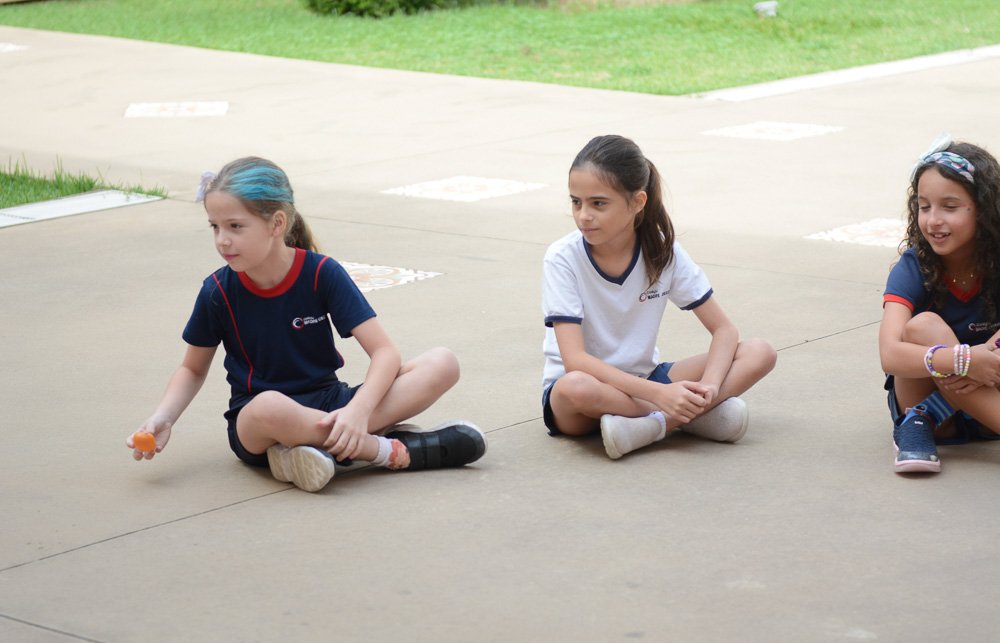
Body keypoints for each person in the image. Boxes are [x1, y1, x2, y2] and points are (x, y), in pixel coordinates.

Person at [126, 157, 486, 492]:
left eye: (235, 226)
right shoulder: (217, 291)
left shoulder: (321, 273)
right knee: (269, 405)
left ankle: (302, 452)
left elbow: (385, 353)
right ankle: (383, 450)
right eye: (215, 227)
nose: (222, 240)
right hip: (259, 424)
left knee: (443, 363)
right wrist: (163, 417)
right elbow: (192, 369)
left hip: (332, 404)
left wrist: (357, 411)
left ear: (277, 223)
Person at [541, 135, 776, 459]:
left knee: (760, 352)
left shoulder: (663, 251)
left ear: (638, 202)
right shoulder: (562, 258)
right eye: (576, 202)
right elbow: (575, 361)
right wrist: (661, 395)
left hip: (646, 378)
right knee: (575, 386)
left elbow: (725, 330)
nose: (583, 215)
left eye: (598, 203)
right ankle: (685, 418)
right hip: (586, 397)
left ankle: (656, 424)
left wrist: (709, 387)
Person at [880, 136, 1000, 474]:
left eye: (949, 207)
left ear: (983, 210)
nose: (933, 220)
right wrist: (964, 361)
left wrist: (987, 357)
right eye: (924, 206)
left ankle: (926, 418)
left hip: (991, 391)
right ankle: (921, 418)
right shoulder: (913, 267)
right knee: (923, 326)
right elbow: (890, 354)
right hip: (933, 415)